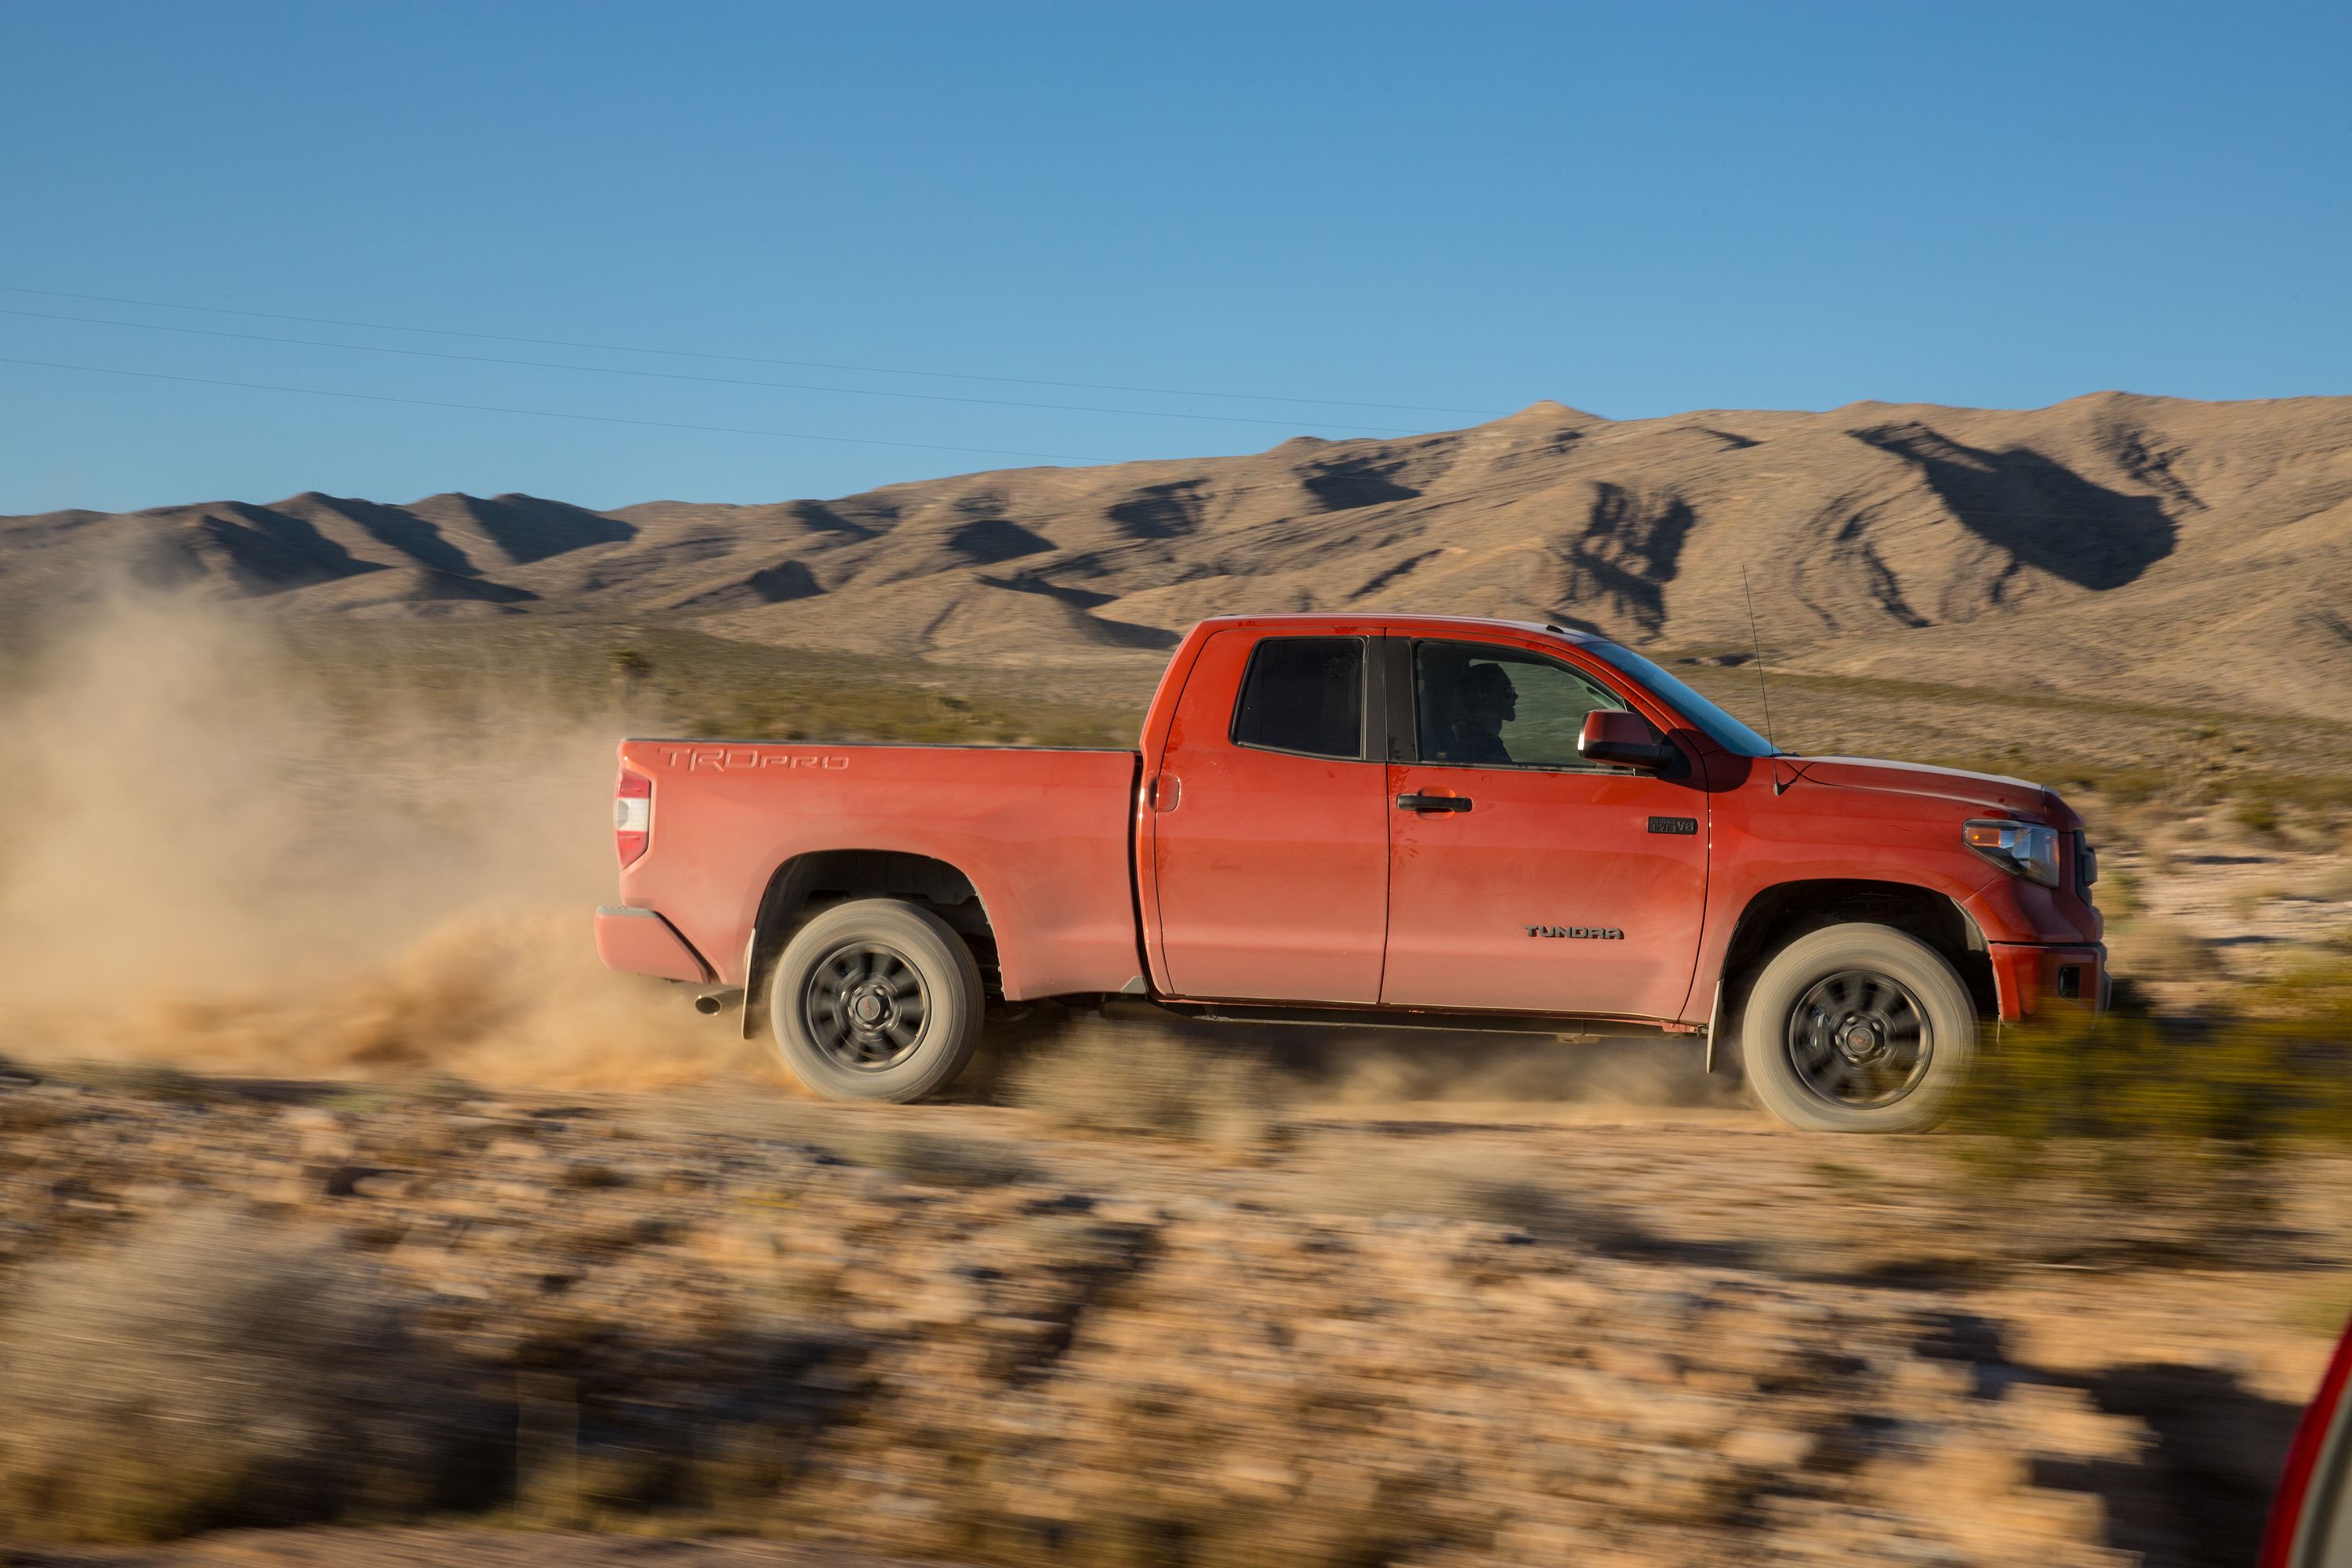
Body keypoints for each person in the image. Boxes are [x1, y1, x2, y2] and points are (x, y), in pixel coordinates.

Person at [1443, 661, 1517, 764]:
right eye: (1507, 691)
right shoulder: (1484, 751)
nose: (1516, 696)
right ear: (1484, 697)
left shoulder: (1484, 742)